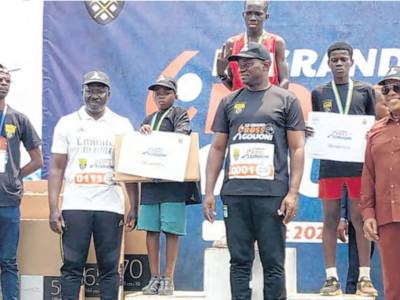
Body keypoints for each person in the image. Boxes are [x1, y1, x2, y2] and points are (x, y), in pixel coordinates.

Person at [204, 42, 305, 300]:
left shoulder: (286, 100)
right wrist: (209, 192)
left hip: (272, 195)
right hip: (235, 195)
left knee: (273, 262)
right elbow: (217, 149)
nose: (243, 68)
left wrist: (293, 193)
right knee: (239, 262)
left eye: (249, 63)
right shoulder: (229, 101)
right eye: (240, 65)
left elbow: (297, 149)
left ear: (267, 65)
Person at [48, 70, 138, 300]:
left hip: (110, 206)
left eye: (100, 90)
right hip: (75, 205)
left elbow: (130, 170)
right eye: (90, 89)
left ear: (109, 93)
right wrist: (53, 208)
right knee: (71, 266)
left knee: (108, 268)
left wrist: (135, 207)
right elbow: (57, 168)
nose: (94, 95)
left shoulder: (122, 124)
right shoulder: (67, 123)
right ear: (82, 92)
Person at [310, 41, 377, 297]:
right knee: (329, 219)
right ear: (328, 63)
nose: (339, 63)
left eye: (343, 59)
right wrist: (312, 132)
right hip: (330, 165)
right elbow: (319, 126)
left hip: (359, 166)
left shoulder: (364, 91)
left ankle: (364, 278)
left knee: (360, 220)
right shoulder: (319, 93)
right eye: (334, 60)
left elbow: (373, 126)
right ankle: (330, 278)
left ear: (351, 62)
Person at [137, 77, 199, 296]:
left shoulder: (179, 114)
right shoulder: (148, 118)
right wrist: (143, 133)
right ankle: (154, 277)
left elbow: (182, 135)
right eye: (157, 93)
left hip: (173, 184)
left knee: (171, 230)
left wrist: (155, 138)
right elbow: (140, 149)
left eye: (166, 92)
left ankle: (168, 278)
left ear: (176, 95)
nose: (161, 95)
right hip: (151, 184)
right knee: (151, 230)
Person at [0, 64, 43, 300]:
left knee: (7, 261)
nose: (3, 82)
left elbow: (37, 160)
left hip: (7, 200)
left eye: (7, 79)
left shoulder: (18, 119)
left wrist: (16, 175)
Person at [360, 66, 400, 300]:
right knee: (393, 288)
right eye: (386, 88)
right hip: (387, 217)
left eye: (398, 87)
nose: (391, 92)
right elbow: (368, 174)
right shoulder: (375, 131)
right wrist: (368, 214)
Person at [216, 0, 289, 90]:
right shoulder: (232, 43)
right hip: (241, 102)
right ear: (243, 15)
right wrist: (221, 74)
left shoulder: (276, 42)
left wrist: (277, 100)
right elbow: (234, 84)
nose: (253, 18)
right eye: (249, 13)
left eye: (258, 14)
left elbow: (285, 80)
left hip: (269, 101)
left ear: (266, 16)